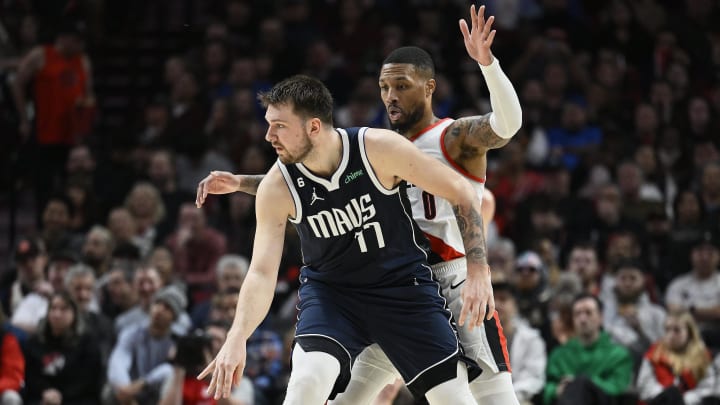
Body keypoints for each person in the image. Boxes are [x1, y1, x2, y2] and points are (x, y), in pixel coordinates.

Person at [197, 5, 522, 404]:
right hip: (390, 279)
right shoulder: (374, 144)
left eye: (401, 86)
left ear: (429, 87)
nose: (390, 96)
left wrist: (488, 65)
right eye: (384, 88)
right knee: (343, 396)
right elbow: (317, 180)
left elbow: (506, 129)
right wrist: (246, 183)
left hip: (451, 279)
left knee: (492, 397)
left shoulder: (452, 136)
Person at [11, 19, 95, 223]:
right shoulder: (41, 55)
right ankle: (44, 224)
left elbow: (89, 94)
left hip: (72, 133)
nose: (80, 46)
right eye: (76, 41)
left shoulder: (82, 61)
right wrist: (23, 118)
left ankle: (74, 223)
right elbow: (17, 83)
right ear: (64, 39)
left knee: (74, 185)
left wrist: (85, 118)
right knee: (44, 183)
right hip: (45, 130)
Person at [544, 293, 634, 405]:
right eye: (577, 314)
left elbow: (618, 388)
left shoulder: (619, 355)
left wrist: (583, 383)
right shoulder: (559, 354)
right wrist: (556, 390)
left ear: (601, 317)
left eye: (588, 313)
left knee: (581, 383)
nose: (582, 319)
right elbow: (546, 388)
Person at [636, 311, 718, 405]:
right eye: (667, 330)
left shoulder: (703, 356)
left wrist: (685, 400)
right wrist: (667, 397)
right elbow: (644, 387)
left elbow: (708, 388)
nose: (670, 335)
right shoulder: (653, 354)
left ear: (690, 332)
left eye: (677, 330)